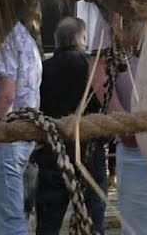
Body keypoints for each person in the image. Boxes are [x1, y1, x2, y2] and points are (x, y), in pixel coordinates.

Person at [78, 1, 147, 235]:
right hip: (136, 142)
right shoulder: (118, 8)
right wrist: (120, 117)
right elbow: (98, 68)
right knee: (138, 229)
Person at [34, 17, 108, 235]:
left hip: (53, 152)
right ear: (83, 38)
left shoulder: (42, 69)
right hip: (89, 153)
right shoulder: (91, 68)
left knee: (48, 224)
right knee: (93, 221)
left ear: (57, 41)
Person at [0, 22, 43, 235]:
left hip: (1, 143)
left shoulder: (3, 38)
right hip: (16, 142)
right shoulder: (24, 38)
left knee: (8, 227)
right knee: (3, 224)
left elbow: (6, 95)